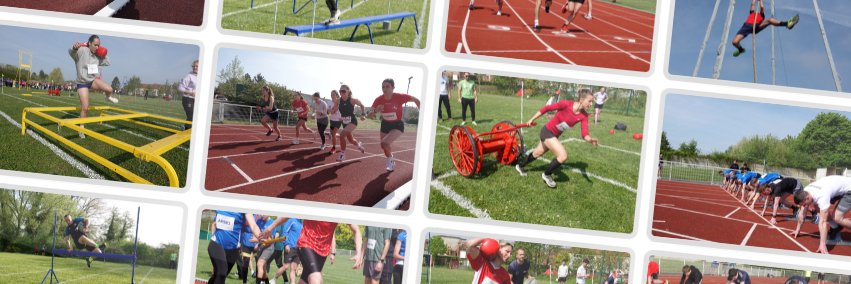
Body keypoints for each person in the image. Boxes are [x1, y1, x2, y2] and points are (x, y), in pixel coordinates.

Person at [515, 88, 599, 188]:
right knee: (563, 156)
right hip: (546, 131)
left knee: (537, 153)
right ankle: (547, 174)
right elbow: (546, 108)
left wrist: (590, 139)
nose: (591, 104)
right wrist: (531, 119)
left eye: (592, 102)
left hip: (554, 136)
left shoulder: (584, 116)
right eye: (589, 101)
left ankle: (520, 166)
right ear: (581, 99)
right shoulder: (566, 104)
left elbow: (585, 133)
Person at [262, 218, 364, 284]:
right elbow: (288, 215)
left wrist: (359, 253)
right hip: (306, 243)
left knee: (305, 280)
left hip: (323, 252)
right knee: (316, 278)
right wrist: (271, 227)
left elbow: (356, 231)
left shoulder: (341, 207)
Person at [69, 35, 117, 139]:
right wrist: (74, 47)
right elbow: (71, 52)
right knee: (85, 107)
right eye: (95, 45)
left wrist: (102, 52)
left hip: (92, 81)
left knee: (110, 89)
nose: (97, 47)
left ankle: (108, 97)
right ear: (89, 43)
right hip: (82, 83)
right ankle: (81, 128)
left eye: (98, 45)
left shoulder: (98, 56)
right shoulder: (82, 50)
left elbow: (108, 62)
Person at [368, 79, 420, 172]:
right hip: (385, 124)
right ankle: (390, 158)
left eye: (387, 86)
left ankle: (390, 162)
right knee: (383, 145)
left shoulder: (399, 97)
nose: (385, 89)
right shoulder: (378, 99)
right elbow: (369, 115)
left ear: (393, 87)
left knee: (385, 143)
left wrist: (422, 111)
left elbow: (416, 100)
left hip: (397, 124)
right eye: (383, 87)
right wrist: (376, 111)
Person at [791, 175, 851, 254]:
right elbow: (803, 212)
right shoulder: (805, 192)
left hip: (849, 189)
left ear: (807, 198)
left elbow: (823, 222)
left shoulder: (822, 196)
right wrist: (797, 229)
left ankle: (837, 225)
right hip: (836, 186)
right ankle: (836, 227)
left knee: (837, 217)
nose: (805, 206)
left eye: (805, 204)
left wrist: (822, 244)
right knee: (818, 209)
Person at [207, 211, 263, 284]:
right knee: (221, 273)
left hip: (233, 250)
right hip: (216, 243)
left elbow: (253, 225)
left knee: (219, 276)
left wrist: (260, 236)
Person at [732, 0, 799, 57]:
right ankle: (741, 49)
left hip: (756, 27)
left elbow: (762, 7)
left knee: (770, 20)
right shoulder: (752, 14)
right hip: (746, 27)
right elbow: (752, 4)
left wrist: (760, 0)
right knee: (734, 42)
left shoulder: (761, 16)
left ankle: (787, 24)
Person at [335, 84, 367, 162]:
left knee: (342, 136)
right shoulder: (338, 100)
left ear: (348, 92)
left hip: (352, 122)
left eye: (343, 91)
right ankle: (360, 146)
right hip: (345, 122)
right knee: (351, 140)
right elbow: (334, 108)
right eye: (340, 91)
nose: (341, 93)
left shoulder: (352, 100)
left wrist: (363, 115)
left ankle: (342, 155)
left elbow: (362, 106)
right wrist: (331, 111)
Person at [273, 218, 302, 284]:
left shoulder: (301, 222)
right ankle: (274, 279)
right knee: (285, 266)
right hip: (290, 247)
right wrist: (286, 244)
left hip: (298, 249)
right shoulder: (291, 220)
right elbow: (284, 232)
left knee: (293, 269)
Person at [178, 59, 198, 130]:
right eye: (194, 66)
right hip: (187, 99)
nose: (195, 67)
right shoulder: (189, 76)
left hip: (196, 100)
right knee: (191, 116)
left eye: (197, 66)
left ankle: (185, 127)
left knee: (195, 117)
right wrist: (191, 92)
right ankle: (186, 130)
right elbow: (180, 88)